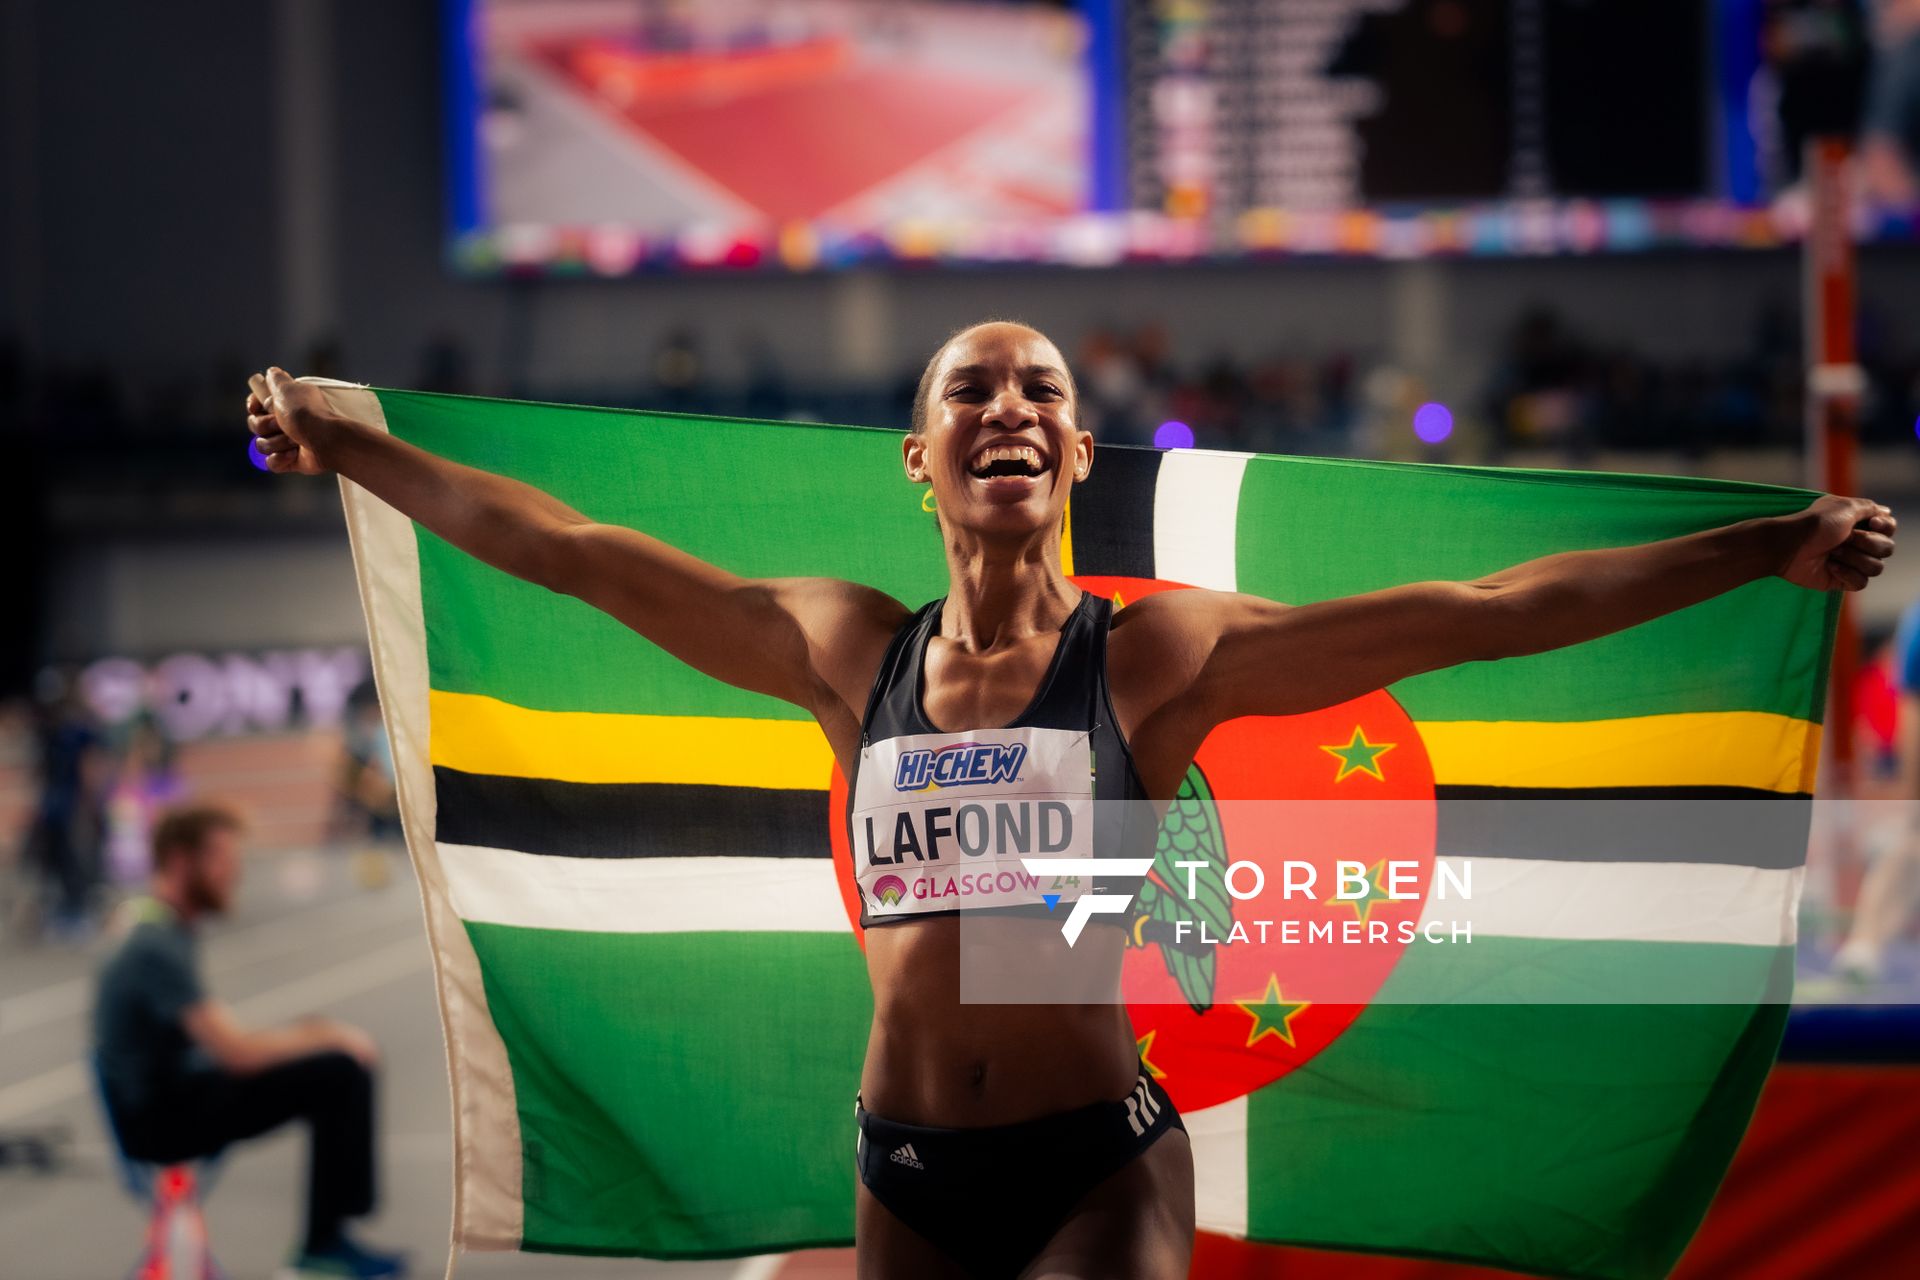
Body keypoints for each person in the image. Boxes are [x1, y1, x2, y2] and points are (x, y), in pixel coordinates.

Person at [244, 321, 1895, 1279]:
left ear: (1077, 453)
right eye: (970, 388)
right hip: (898, 1163)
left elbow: (1492, 615)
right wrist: (362, 448)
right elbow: (572, 554)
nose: (1009, 408)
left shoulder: (1158, 658)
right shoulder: (841, 649)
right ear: (918, 456)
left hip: (1092, 1166)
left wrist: (1766, 549)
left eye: (1039, 387)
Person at [91, 802, 406, 1279]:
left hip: (173, 1093)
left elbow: (218, 1038)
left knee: (331, 1062)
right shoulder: (156, 944)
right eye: (221, 859)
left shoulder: (159, 925)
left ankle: (330, 1238)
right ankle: (325, 1244)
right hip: (159, 1120)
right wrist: (322, 1035)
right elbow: (236, 1054)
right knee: (342, 1070)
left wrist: (310, 1035)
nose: (234, 872)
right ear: (181, 860)